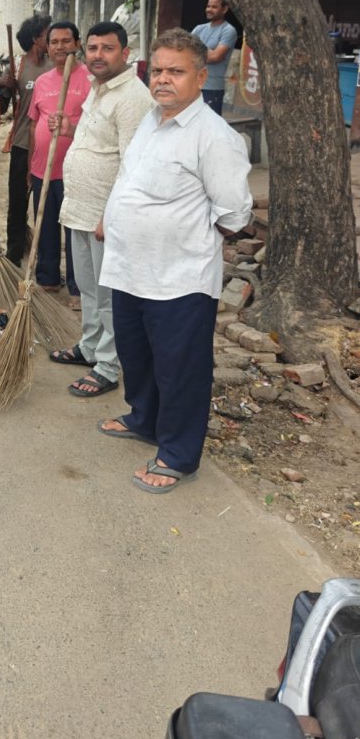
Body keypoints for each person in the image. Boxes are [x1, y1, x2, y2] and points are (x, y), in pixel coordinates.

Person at [98, 28, 252, 493]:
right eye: (157, 70)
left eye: (176, 71)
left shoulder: (214, 137)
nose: (163, 79)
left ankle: (179, 455)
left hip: (178, 279)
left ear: (201, 76)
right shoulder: (152, 118)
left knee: (180, 368)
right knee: (136, 354)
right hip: (129, 267)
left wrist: (181, 237)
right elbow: (131, 179)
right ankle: (144, 419)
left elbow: (235, 215)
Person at [49, 21, 152, 397]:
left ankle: (109, 366)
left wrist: (111, 216)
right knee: (88, 289)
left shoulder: (134, 98)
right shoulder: (97, 90)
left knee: (110, 296)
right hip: (80, 209)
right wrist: (68, 127)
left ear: (126, 54)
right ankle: (90, 347)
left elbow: (133, 164)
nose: (97, 55)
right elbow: (96, 141)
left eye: (107, 48)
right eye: (92, 48)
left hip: (106, 218)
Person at [27, 21, 89, 300]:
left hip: (75, 171)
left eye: (66, 41)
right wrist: (31, 163)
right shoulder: (42, 81)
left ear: (77, 44)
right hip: (43, 167)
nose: (60, 47)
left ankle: (78, 287)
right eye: (54, 42)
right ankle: (48, 278)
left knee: (75, 229)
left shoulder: (90, 80)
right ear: (47, 46)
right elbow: (33, 124)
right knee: (45, 224)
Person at [0, 15, 50, 266]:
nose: (51, 39)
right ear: (35, 38)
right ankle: (14, 255)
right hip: (22, 143)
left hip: (51, 146)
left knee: (47, 205)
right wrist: (2, 85)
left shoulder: (56, 66)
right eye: (47, 34)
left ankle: (46, 261)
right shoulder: (17, 66)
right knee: (18, 203)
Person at [191, 0, 237, 116]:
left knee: (209, 128)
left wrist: (195, 52)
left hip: (212, 89)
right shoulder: (199, 29)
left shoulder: (228, 30)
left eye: (214, 7)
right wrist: (208, 51)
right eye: (208, 6)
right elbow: (185, 53)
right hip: (192, 86)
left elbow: (216, 57)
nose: (209, 10)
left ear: (224, 9)